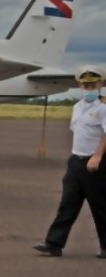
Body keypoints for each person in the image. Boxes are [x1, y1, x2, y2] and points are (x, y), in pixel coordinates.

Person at [33, 65, 106, 258]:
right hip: (76, 161)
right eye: (85, 85)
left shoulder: (103, 108)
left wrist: (97, 157)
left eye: (92, 85)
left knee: (100, 206)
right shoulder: (77, 107)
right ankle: (54, 243)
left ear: (100, 84)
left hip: (95, 163)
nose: (88, 89)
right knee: (68, 203)